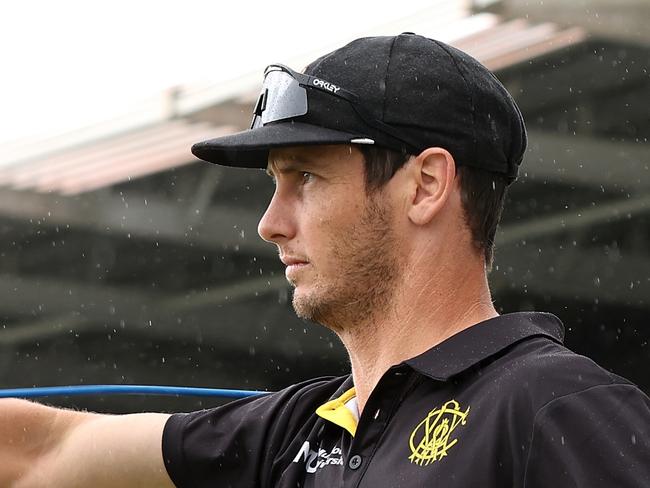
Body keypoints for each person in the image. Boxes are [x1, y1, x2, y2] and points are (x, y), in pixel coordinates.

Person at [1, 33, 649, 487]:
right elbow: (40, 454)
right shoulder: (302, 433)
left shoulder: (556, 408)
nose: (269, 223)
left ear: (425, 186)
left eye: (306, 177)